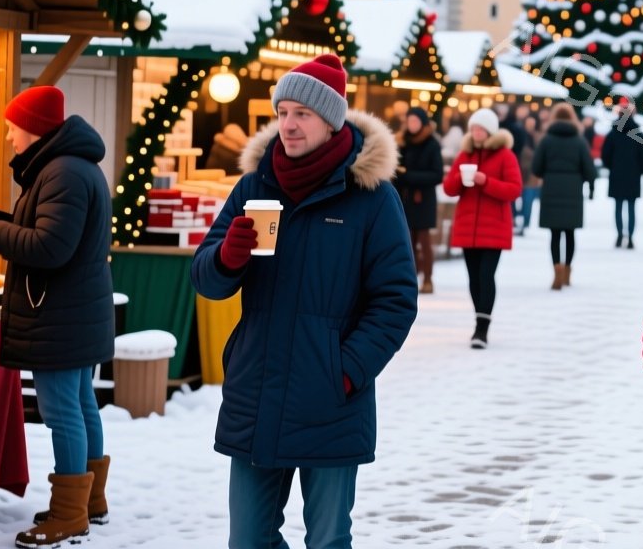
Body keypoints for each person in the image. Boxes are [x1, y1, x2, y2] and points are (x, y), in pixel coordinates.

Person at [191, 55, 417, 549]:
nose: (288, 125)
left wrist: (346, 369)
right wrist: (229, 257)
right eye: (283, 112)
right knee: (248, 540)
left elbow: (396, 300)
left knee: (328, 540)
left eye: (302, 114)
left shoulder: (371, 198)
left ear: (331, 119)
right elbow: (205, 279)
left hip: (331, 400)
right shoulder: (254, 186)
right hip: (256, 390)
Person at [0, 86, 115, 547]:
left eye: (12, 128)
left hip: (59, 315)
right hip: (76, 311)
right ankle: (90, 500)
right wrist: (0, 217)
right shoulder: (69, 167)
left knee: (63, 412)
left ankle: (68, 514)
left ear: (34, 128)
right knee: (82, 404)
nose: (8, 138)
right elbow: (48, 231)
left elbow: (50, 248)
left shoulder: (62, 172)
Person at [443, 107, 522, 348]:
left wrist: (485, 181)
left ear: (490, 131)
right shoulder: (464, 155)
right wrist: (461, 180)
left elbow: (513, 189)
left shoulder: (505, 156)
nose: (476, 132)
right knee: (473, 279)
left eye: (481, 129)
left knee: (486, 276)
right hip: (468, 227)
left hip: (494, 227)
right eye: (474, 128)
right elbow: (449, 188)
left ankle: (482, 328)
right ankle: (479, 318)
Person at [532, 103, 596, 290]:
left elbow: (536, 167)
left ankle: (556, 272)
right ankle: (567, 272)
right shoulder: (579, 141)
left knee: (554, 234)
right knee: (569, 233)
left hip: (551, 189)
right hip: (573, 190)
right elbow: (590, 170)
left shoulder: (546, 140)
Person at [394, 107, 444, 294]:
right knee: (407, 240)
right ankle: (411, 278)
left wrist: (409, 176)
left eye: (415, 121)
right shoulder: (401, 142)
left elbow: (437, 175)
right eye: (410, 121)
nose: (412, 124)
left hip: (423, 199)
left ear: (422, 123)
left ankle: (428, 279)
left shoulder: (432, 144)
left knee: (424, 239)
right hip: (404, 198)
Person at [601, 110, 643, 249]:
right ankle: (629, 237)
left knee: (618, 207)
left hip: (617, 175)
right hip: (633, 176)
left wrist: (612, 166)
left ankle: (619, 235)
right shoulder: (638, 135)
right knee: (631, 207)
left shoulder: (612, 135)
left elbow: (605, 156)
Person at [499, 105, 534, 233]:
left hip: (522, 167)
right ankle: (516, 220)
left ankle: (517, 220)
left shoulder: (513, 128)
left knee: (518, 195)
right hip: (520, 166)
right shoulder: (516, 128)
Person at [516, 111, 543, 234]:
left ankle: (525, 223)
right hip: (520, 171)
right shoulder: (520, 135)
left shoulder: (538, 137)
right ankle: (517, 220)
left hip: (532, 173)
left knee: (528, 199)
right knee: (518, 198)